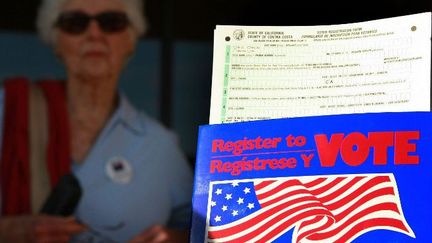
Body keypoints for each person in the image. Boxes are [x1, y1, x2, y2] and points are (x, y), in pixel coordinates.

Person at [0, 0, 193, 242]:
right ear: (55, 39)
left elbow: (205, 233)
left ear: (131, 40)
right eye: (75, 23)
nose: (94, 34)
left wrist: (171, 238)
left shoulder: (160, 146)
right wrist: (9, 231)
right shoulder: (8, 112)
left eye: (111, 22)